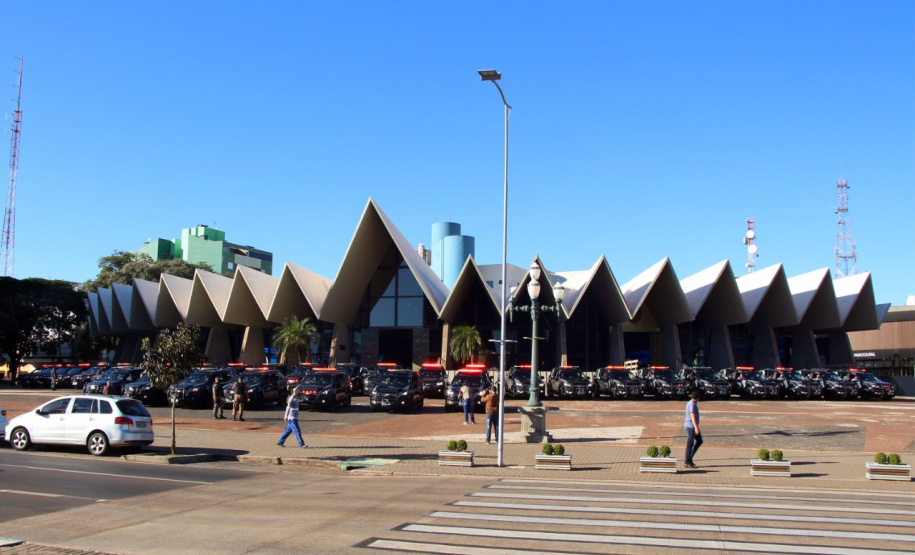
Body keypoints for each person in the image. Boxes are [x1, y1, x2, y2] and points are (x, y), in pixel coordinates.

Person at [684, 390, 703, 469]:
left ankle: (690, 458)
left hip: (692, 426)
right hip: (691, 426)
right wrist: (696, 427)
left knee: (699, 441)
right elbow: (692, 416)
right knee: (690, 444)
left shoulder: (692, 403)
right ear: (698, 397)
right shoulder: (692, 404)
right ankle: (687, 461)